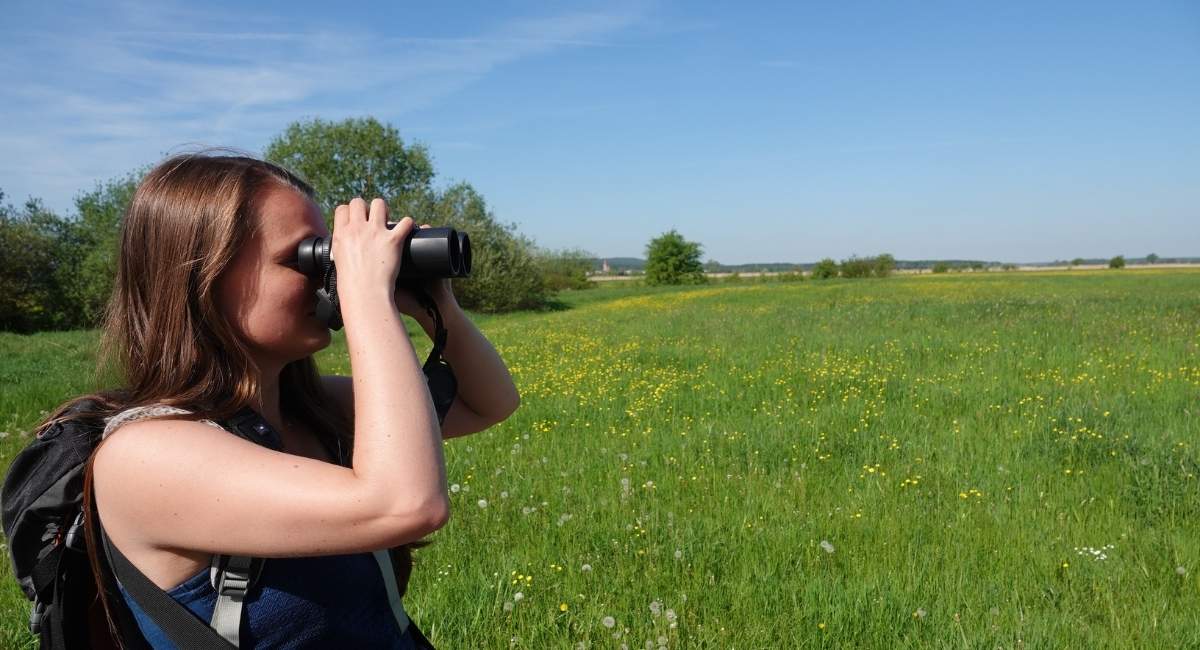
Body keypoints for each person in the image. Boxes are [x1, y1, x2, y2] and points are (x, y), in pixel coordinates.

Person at [62, 153, 519, 647]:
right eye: (304, 258)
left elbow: (487, 403)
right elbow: (406, 505)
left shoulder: (312, 409)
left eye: (329, 254)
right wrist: (367, 294)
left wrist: (435, 303)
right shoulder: (145, 456)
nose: (330, 274)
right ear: (203, 280)